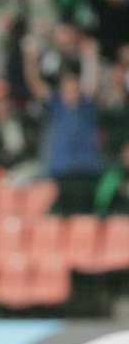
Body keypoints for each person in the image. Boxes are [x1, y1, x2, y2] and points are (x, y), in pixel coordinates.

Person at [23, 34, 102, 214]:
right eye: (68, 89)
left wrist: (91, 57)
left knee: (86, 215)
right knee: (63, 214)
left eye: (75, 89)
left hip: (87, 169)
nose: (72, 93)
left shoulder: (86, 106)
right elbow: (36, 85)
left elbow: (93, 83)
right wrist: (30, 59)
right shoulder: (56, 105)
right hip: (63, 169)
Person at [94, 140, 129, 215]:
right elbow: (101, 201)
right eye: (127, 152)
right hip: (117, 218)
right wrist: (117, 188)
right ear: (122, 154)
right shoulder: (113, 174)